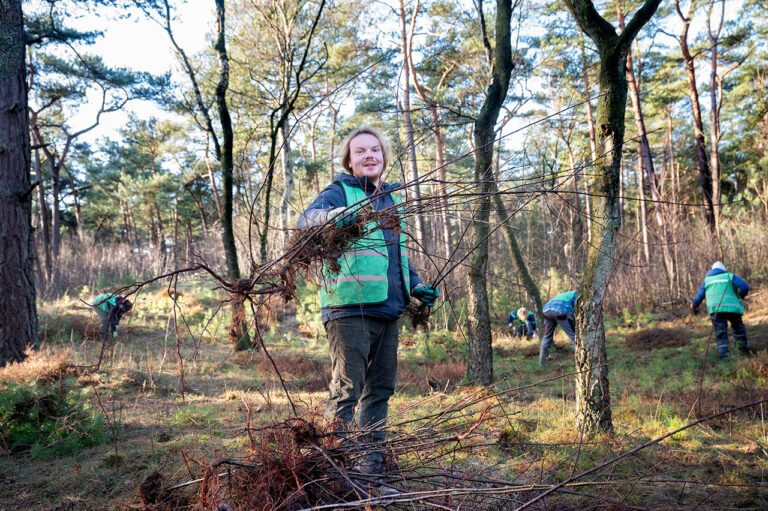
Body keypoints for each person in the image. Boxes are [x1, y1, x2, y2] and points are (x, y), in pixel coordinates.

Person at [296, 127, 438, 473]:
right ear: (349, 159)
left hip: (390, 309)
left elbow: (397, 254)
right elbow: (304, 221)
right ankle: (333, 470)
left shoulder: (391, 198)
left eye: (375, 150)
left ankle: (370, 469)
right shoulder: (339, 191)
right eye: (360, 151)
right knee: (347, 390)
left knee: (381, 389)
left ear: (383, 157)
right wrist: (334, 216)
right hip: (350, 309)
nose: (369, 156)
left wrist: (415, 286)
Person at [691, 261, 751, 358]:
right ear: (723, 269)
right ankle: (742, 348)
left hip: (715, 310)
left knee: (720, 332)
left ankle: (724, 354)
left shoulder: (707, 280)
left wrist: (694, 305)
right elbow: (745, 286)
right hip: (732, 308)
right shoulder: (729, 276)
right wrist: (741, 295)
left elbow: (699, 296)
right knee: (738, 328)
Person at [539, 291, 577, 365]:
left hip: (546, 311)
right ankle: (581, 361)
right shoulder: (577, 295)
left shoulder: (563, 295)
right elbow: (577, 309)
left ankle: (542, 363)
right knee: (574, 336)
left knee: (547, 336)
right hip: (561, 312)